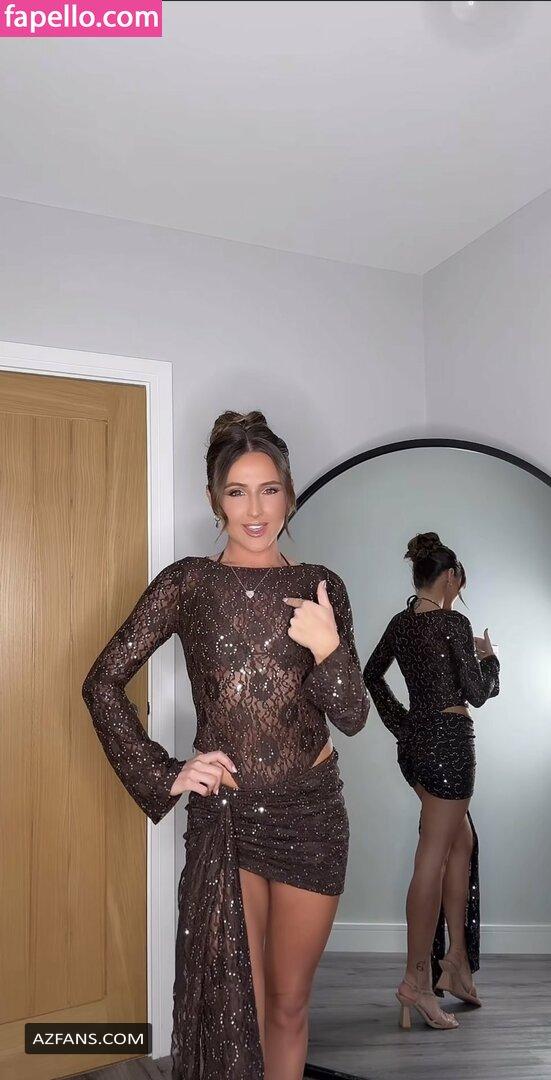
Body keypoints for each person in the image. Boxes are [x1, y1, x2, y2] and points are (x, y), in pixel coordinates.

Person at [82, 409, 370, 1080]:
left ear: (289, 494)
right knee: (236, 1009)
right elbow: (102, 682)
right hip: (228, 819)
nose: (255, 509)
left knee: (289, 1006)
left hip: (312, 817)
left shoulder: (320, 587)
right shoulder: (188, 583)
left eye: (269, 489)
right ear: (215, 500)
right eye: (237, 492)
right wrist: (167, 772)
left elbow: (353, 716)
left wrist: (327, 648)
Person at [363, 531, 500, 1031]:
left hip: (417, 748)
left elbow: (372, 675)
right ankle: (415, 982)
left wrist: (403, 724)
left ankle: (455, 962)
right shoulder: (454, 624)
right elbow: (477, 693)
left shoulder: (401, 625)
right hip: (449, 746)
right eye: (459, 582)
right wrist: (490, 658)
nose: (460, 590)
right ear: (449, 577)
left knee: (461, 842)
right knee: (433, 855)